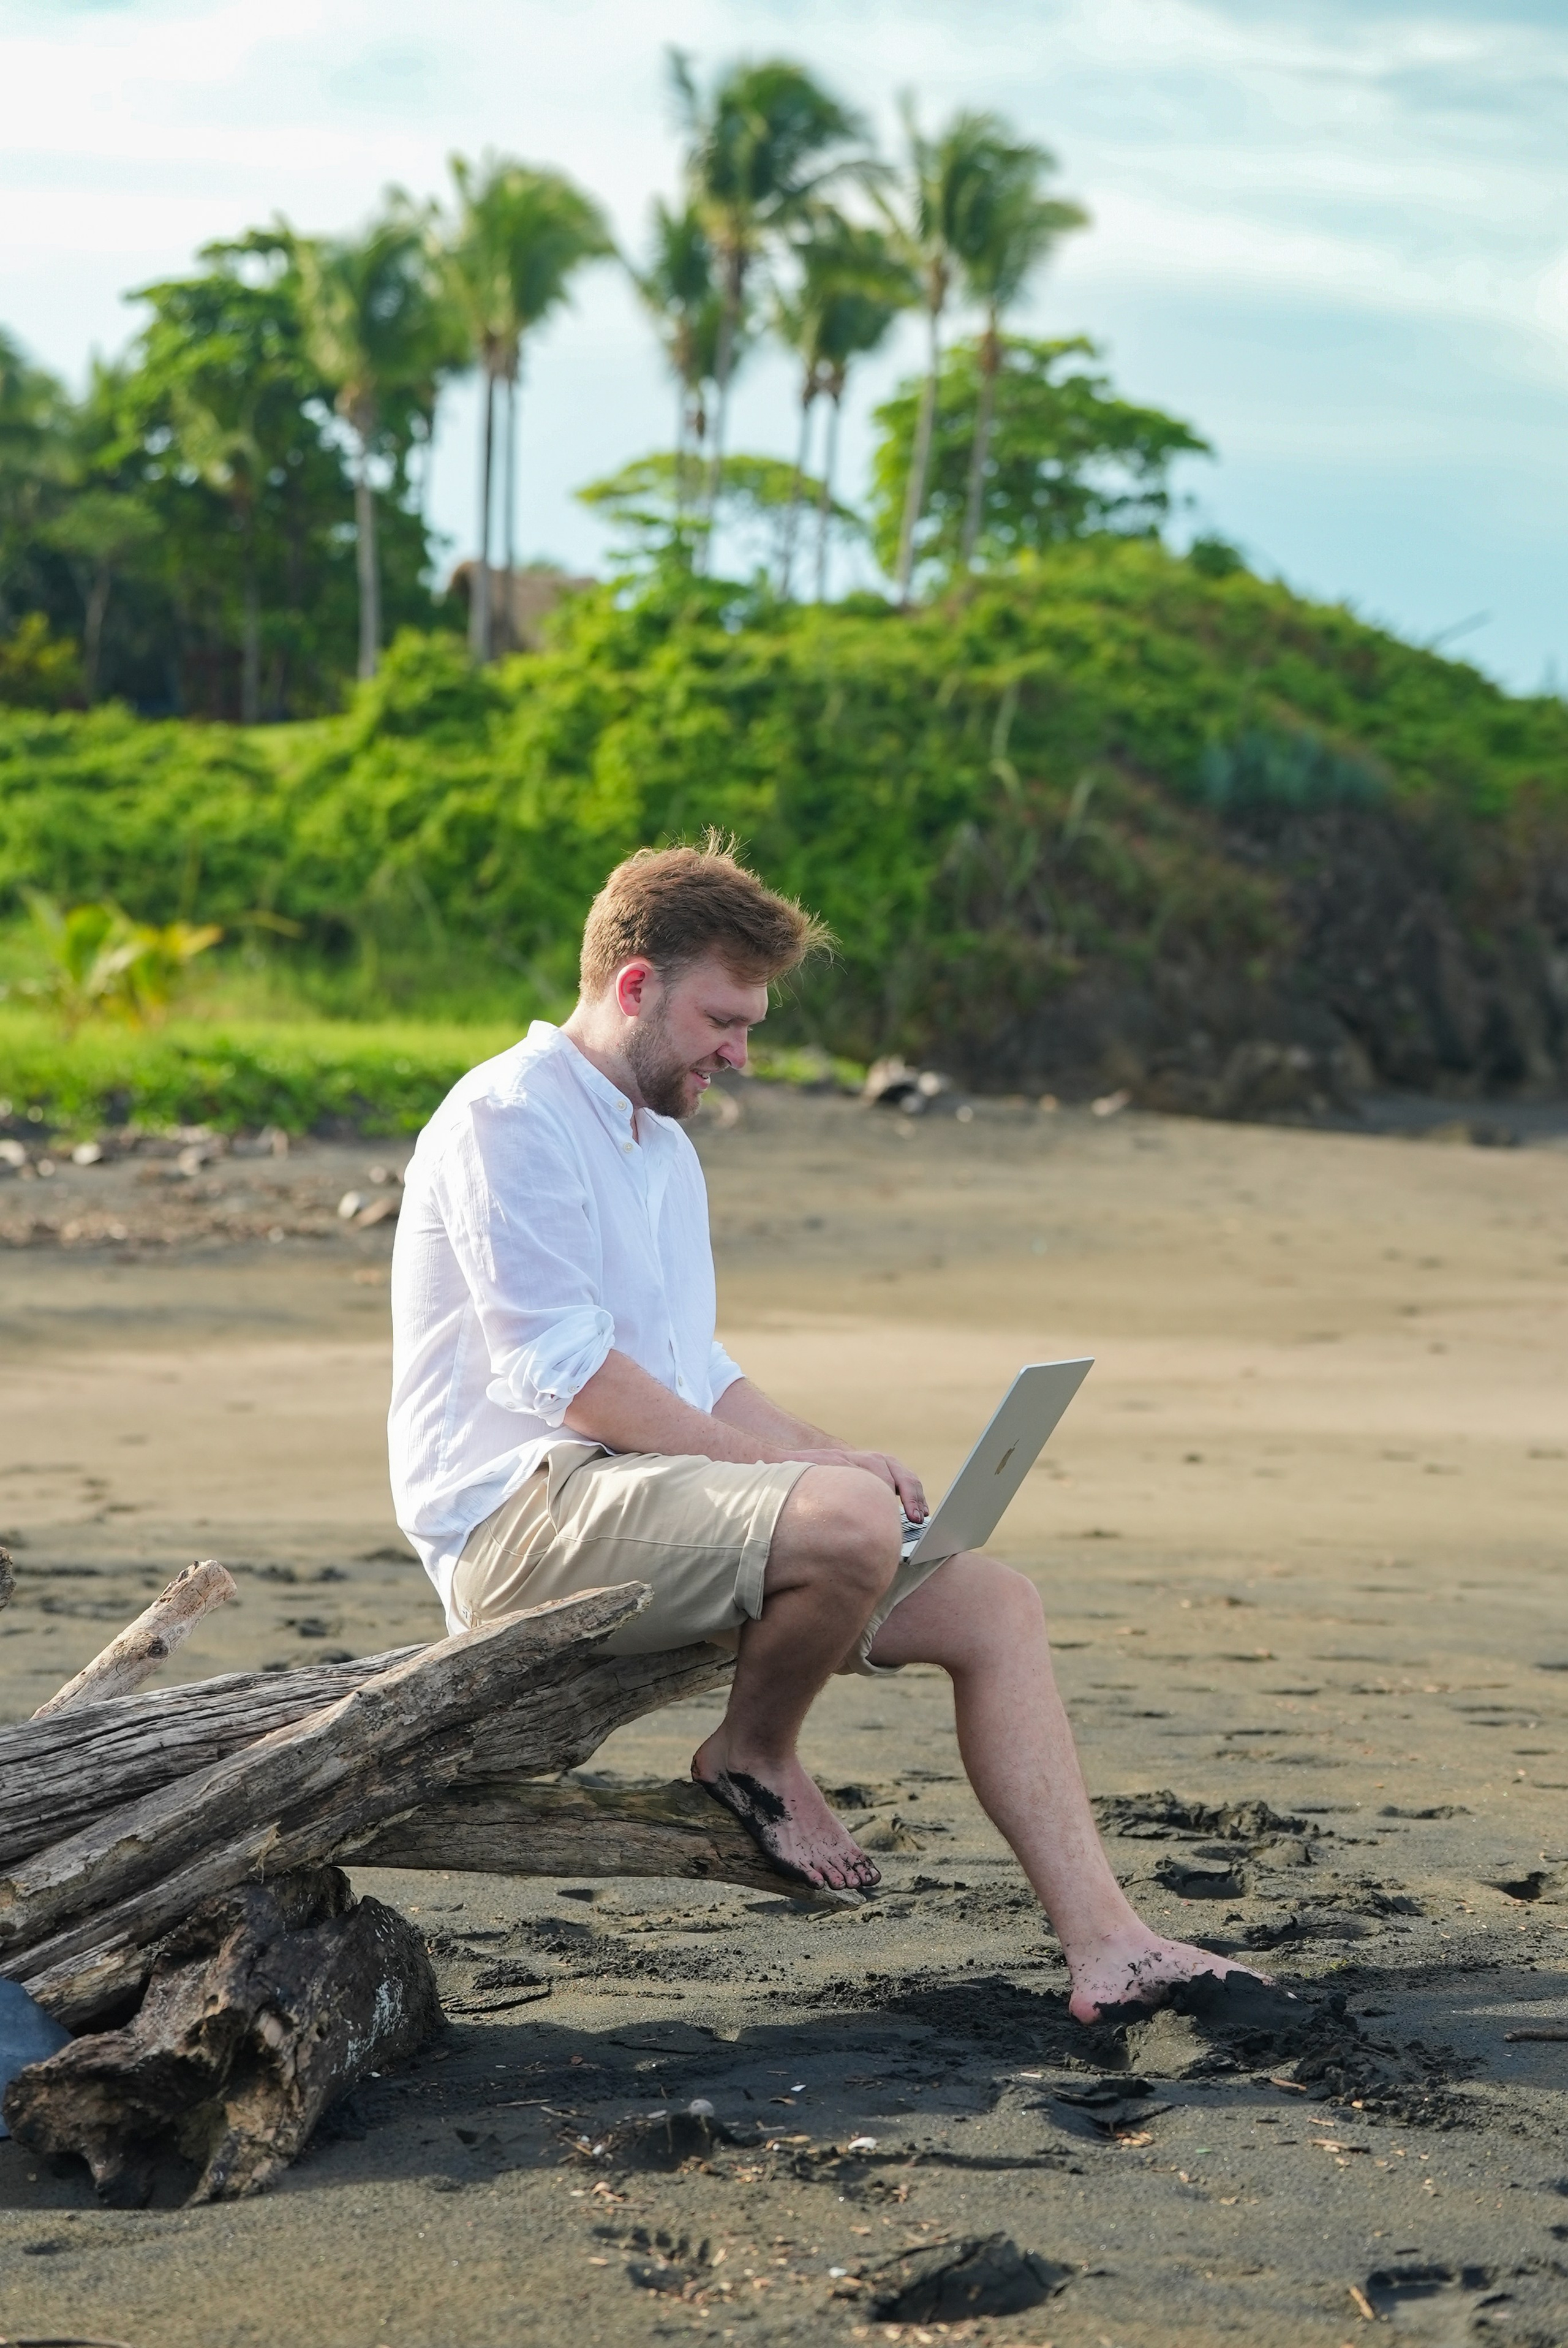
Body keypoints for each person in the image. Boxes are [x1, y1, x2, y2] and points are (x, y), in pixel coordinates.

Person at [388, 838, 1257, 2022]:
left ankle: (1113, 1945)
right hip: (521, 1522)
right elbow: (574, 1381)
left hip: (645, 1502)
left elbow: (703, 1376)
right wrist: (806, 1488)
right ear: (634, 986)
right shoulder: (508, 1116)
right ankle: (749, 1756)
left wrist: (826, 1453)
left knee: (995, 1603)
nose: (740, 1053)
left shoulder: (664, 1148)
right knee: (841, 1520)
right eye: (723, 1019)